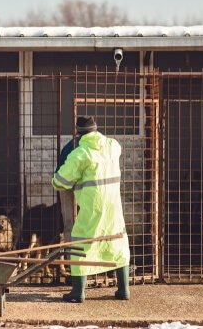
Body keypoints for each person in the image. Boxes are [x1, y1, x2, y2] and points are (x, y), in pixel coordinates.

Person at [52, 116, 130, 303]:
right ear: (96, 129)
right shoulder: (113, 145)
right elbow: (116, 150)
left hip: (93, 207)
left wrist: (57, 179)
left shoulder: (80, 153)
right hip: (114, 206)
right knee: (117, 240)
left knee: (81, 242)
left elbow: (60, 181)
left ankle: (78, 292)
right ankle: (124, 290)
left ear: (78, 134)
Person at [55, 136, 79, 243]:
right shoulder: (84, 147)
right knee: (72, 222)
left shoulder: (72, 144)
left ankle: (71, 255)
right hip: (66, 182)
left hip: (64, 182)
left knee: (69, 222)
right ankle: (73, 254)